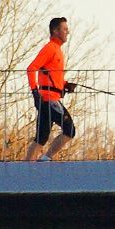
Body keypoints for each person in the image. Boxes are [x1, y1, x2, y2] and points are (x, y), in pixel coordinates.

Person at [24, 17, 77, 161]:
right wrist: (35, 91)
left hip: (49, 98)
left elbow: (51, 74)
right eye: (64, 29)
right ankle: (45, 159)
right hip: (49, 100)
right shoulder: (50, 49)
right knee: (69, 130)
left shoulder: (57, 50)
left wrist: (64, 84)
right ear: (55, 31)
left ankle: (26, 167)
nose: (68, 32)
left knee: (41, 137)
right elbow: (31, 68)